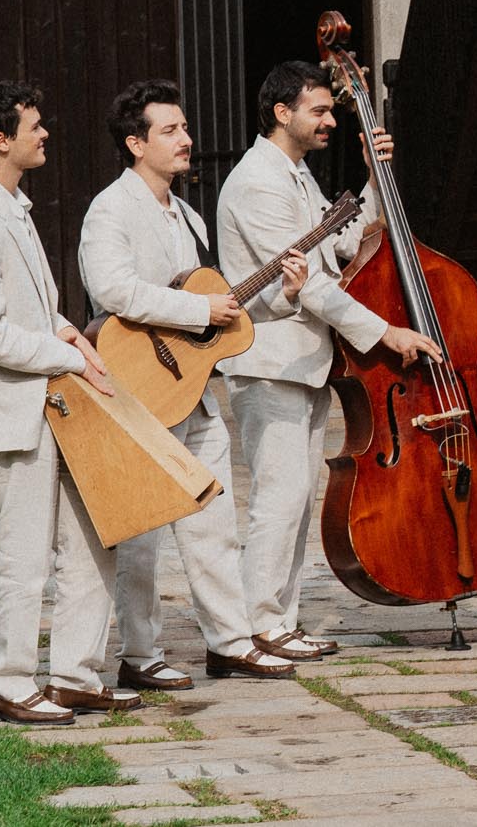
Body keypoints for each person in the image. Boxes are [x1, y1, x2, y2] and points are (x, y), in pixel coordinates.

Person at [217, 61, 442, 662]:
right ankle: (257, 624)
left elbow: (344, 242)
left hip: (306, 360)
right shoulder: (258, 182)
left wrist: (373, 181)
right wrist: (385, 332)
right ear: (281, 113)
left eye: (331, 108)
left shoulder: (294, 175)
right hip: (272, 361)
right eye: (318, 109)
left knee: (297, 495)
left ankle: (278, 620)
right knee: (280, 496)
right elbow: (312, 284)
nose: (331, 119)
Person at [78, 79, 299, 687]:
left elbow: (221, 307)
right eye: (170, 130)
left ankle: (228, 642)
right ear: (135, 143)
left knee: (215, 523)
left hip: (193, 392)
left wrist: (284, 293)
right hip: (137, 388)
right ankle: (140, 654)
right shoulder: (110, 209)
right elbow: (112, 290)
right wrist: (200, 314)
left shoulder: (189, 213)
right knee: (144, 534)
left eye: (184, 127)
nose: (187, 140)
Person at [0, 82, 129, 724]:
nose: (45, 135)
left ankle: (74, 674)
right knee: (23, 552)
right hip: (9, 410)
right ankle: (10, 683)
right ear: (0, 139)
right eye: (34, 126)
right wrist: (69, 355)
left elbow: (31, 306)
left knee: (95, 538)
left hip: (46, 405)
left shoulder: (11, 206)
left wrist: (65, 326)